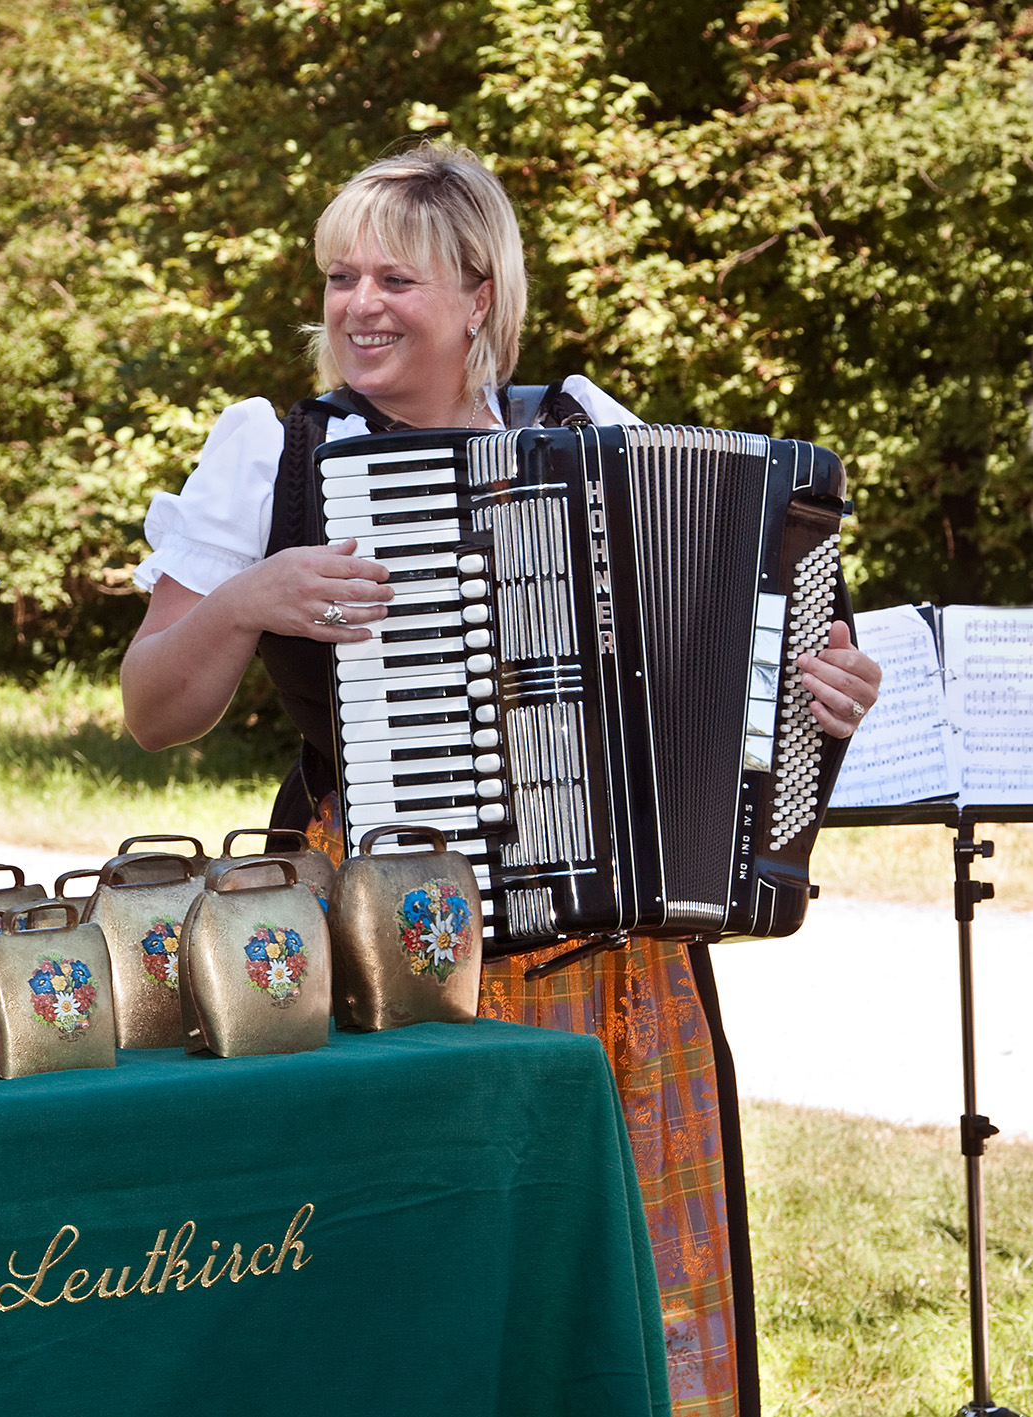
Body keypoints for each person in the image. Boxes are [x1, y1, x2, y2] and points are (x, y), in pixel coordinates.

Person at [119, 143, 882, 1417]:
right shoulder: (273, 455)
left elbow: (742, 676)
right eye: (337, 276)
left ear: (479, 294)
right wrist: (249, 599)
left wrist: (822, 698)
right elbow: (152, 709)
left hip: (616, 952)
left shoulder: (599, 436)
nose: (355, 305)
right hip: (386, 931)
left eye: (393, 278)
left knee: (622, 1263)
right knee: (415, 1269)